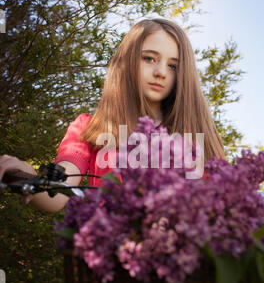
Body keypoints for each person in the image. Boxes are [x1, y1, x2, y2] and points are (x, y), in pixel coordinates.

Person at [0, 18, 225, 214]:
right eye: (149, 58)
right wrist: (27, 173)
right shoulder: (90, 127)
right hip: (108, 256)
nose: (161, 72)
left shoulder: (196, 137)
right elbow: (57, 193)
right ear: (127, 62)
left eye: (173, 66)